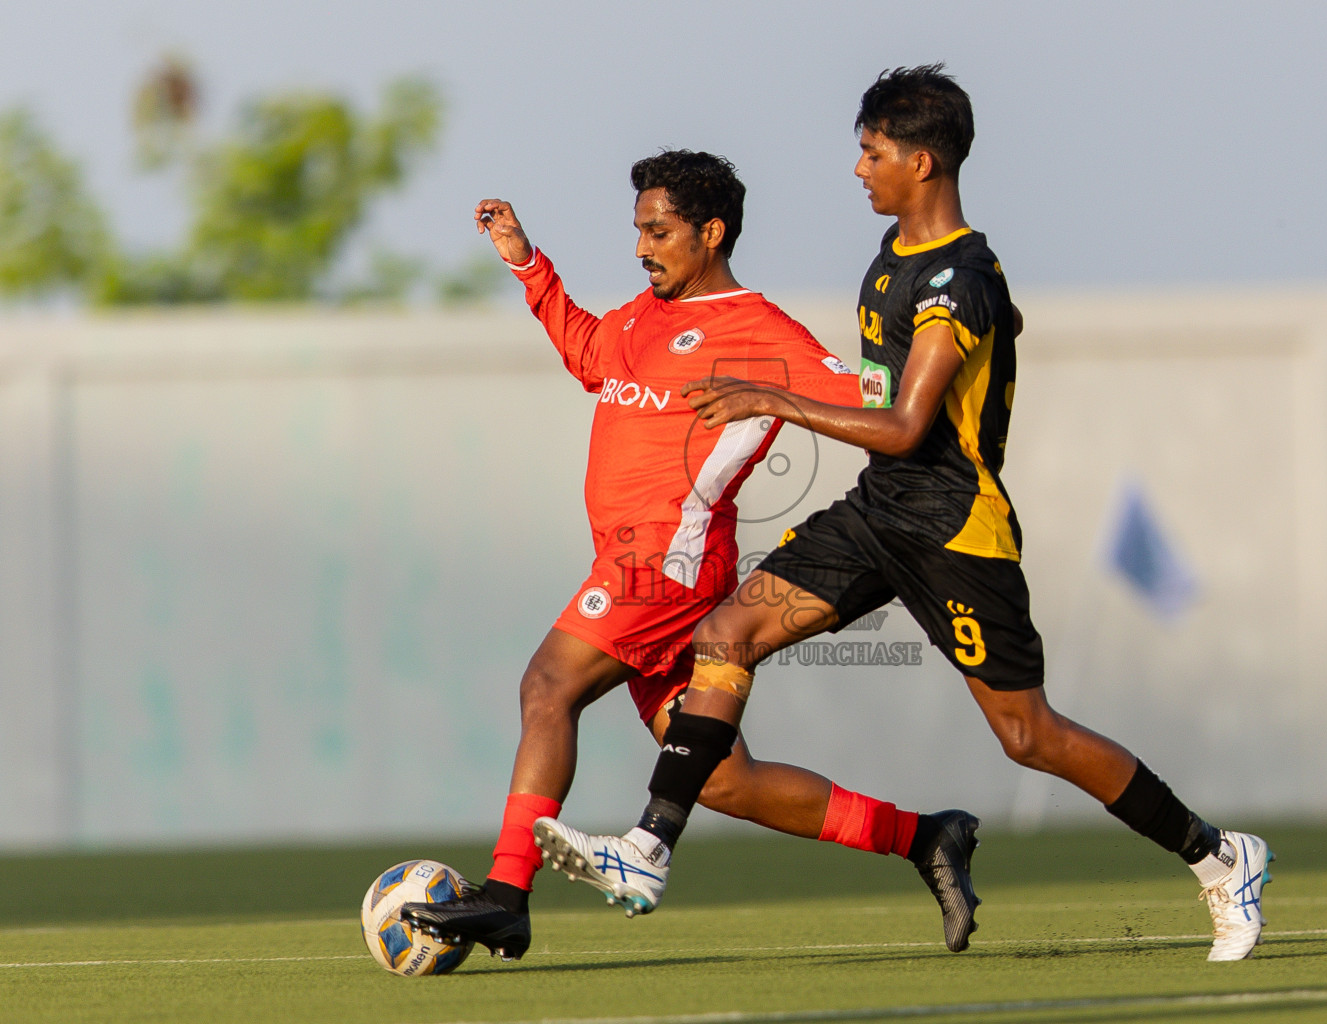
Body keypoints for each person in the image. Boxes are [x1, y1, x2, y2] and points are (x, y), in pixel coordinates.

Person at [535, 69, 1273, 963]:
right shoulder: (895, 256)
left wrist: (770, 396)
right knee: (725, 634)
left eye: (872, 152)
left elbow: (905, 426)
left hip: (955, 529)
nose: (859, 168)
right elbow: (927, 370)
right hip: (878, 513)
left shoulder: (961, 277)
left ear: (921, 162)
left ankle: (1220, 856)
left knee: (1029, 735)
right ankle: (648, 850)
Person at [399, 150, 984, 961]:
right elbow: (588, 354)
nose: (642, 247)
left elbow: (871, 398)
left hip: (664, 569)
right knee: (722, 780)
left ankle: (507, 895)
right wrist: (529, 266)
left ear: (710, 233)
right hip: (634, 565)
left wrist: (949, 357)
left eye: (659, 231)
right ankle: (925, 837)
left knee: (547, 685)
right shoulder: (640, 317)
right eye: (639, 230)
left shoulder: (761, 329)